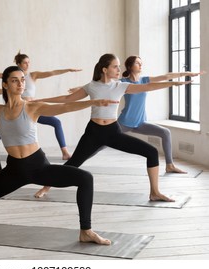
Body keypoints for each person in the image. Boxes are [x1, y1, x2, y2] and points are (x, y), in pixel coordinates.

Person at [0, 65, 118, 245]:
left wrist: (94, 102)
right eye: (15, 80)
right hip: (14, 170)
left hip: (38, 166)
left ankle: (86, 230)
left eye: (22, 80)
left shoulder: (32, 107)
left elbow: (65, 107)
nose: (20, 83)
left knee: (85, 178)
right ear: (5, 84)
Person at [33, 53, 191, 200]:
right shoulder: (92, 86)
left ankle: (155, 192)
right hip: (93, 132)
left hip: (112, 132)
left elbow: (147, 87)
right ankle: (47, 186)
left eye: (119, 66)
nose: (119, 70)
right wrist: (38, 101)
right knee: (73, 162)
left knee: (151, 152)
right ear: (104, 69)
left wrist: (175, 83)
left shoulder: (120, 86)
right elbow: (67, 99)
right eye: (115, 66)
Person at [0, 51, 81, 160]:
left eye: (29, 62)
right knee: (5, 129)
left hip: (31, 109)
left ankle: (65, 152)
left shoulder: (33, 75)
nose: (28, 65)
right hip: (16, 108)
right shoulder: (11, 76)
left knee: (56, 122)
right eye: (25, 63)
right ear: (19, 64)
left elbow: (51, 73)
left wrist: (67, 70)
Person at [118, 55, 204, 173]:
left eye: (141, 62)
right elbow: (107, 86)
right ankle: (82, 159)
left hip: (140, 122)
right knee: (102, 141)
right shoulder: (123, 82)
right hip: (124, 122)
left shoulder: (144, 80)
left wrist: (187, 73)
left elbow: (167, 76)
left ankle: (170, 165)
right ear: (130, 66)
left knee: (165, 132)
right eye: (138, 63)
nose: (141, 65)